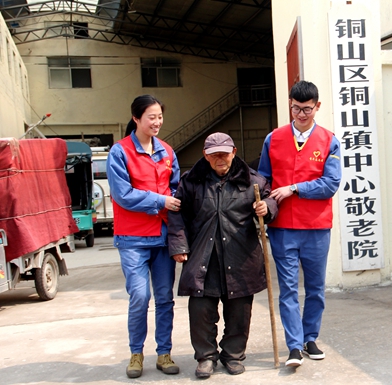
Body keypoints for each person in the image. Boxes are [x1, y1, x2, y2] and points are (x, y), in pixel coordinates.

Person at [167, 132, 278, 379]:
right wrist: (178, 245)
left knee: (239, 311)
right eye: (214, 155)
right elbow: (177, 214)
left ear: (234, 152)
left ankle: (233, 355)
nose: (220, 159)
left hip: (240, 255)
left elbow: (271, 201)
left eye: (224, 154)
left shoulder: (253, 181)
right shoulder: (191, 181)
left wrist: (266, 208)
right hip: (203, 256)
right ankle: (206, 357)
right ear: (205, 155)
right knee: (201, 310)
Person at [258, 80, 342, 367]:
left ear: (317, 107)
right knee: (289, 289)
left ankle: (310, 338)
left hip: (317, 227)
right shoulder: (273, 139)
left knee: (316, 288)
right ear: (290, 105)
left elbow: (331, 184)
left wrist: (294, 188)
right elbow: (263, 180)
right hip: (282, 228)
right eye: (296, 108)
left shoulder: (329, 140)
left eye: (307, 109)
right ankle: (293, 346)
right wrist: (262, 200)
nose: (301, 114)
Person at [106, 95, 181, 378]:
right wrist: (160, 200)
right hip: (133, 238)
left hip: (162, 237)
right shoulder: (119, 152)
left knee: (164, 297)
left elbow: (175, 188)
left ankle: (164, 353)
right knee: (139, 295)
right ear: (136, 118)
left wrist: (174, 200)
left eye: (160, 116)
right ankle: (136, 353)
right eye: (151, 117)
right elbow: (122, 195)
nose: (157, 122)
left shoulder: (167, 152)